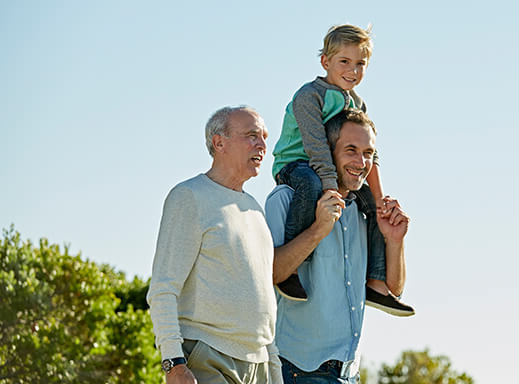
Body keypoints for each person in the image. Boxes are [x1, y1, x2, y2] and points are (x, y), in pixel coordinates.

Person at [270, 24, 414, 316]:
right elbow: (316, 146)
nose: (353, 70)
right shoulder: (309, 96)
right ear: (326, 62)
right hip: (296, 164)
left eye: (360, 63)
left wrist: (379, 198)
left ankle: (375, 282)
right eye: (344, 62)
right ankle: (291, 268)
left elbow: (370, 154)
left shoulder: (357, 104)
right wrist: (330, 187)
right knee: (310, 184)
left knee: (372, 205)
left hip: (329, 169)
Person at [265, 109, 411, 383]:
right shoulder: (285, 199)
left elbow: (394, 287)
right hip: (298, 371)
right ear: (327, 151)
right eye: (351, 150)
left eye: (368, 153)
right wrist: (319, 229)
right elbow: (272, 274)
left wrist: (394, 240)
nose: (361, 161)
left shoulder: (364, 212)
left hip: (350, 373)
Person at [147, 106, 282, 384]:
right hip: (207, 357)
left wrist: (274, 366)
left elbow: (264, 301)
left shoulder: (256, 210)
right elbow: (163, 289)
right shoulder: (189, 196)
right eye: (251, 135)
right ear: (219, 142)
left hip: (259, 365)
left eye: (264, 137)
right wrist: (173, 363)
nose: (262, 145)